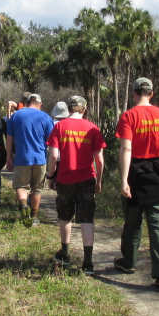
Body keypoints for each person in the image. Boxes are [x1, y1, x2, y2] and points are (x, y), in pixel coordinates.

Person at [114, 77, 159, 289]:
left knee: (132, 222)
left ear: (134, 93)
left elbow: (126, 149)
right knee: (158, 226)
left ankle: (128, 262)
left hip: (137, 172)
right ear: (151, 93)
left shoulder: (129, 116)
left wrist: (124, 180)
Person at [46, 95, 105, 274]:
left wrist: (50, 175)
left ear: (70, 109)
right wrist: (99, 181)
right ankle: (88, 262)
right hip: (87, 179)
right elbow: (100, 160)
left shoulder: (60, 127)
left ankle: (64, 252)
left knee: (65, 216)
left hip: (65, 179)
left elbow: (54, 156)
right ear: (84, 109)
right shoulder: (93, 128)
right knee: (87, 219)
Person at [6, 93, 54, 226]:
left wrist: (8, 156)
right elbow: (51, 142)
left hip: (22, 158)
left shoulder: (16, 116)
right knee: (36, 189)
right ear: (40, 104)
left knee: (21, 187)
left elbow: (9, 138)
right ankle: (34, 217)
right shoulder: (46, 117)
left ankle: (23, 207)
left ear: (27, 102)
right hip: (40, 159)